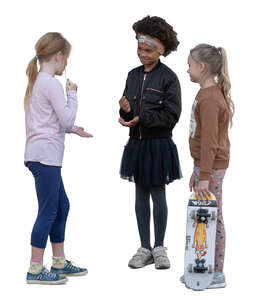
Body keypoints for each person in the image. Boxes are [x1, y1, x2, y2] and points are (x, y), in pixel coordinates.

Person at [24, 32, 93, 284]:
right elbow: (66, 118)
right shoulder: (50, 83)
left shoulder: (37, 82)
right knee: (48, 211)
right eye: (66, 59)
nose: (66, 65)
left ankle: (59, 263)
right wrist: (73, 94)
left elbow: (52, 122)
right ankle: (34, 270)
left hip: (41, 155)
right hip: (45, 156)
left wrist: (75, 130)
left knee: (61, 206)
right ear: (59, 56)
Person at [119, 16, 182, 270]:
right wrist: (125, 112)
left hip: (158, 145)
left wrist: (140, 117)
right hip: (137, 144)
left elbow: (171, 116)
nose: (142, 54)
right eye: (139, 49)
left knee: (158, 193)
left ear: (162, 50)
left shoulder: (169, 78)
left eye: (148, 50)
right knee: (140, 195)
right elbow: (129, 110)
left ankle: (159, 247)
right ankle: (144, 247)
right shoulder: (132, 75)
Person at [181, 43, 234, 288]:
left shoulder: (211, 99)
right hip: (206, 166)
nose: (187, 69)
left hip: (212, 167)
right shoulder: (205, 94)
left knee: (213, 217)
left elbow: (210, 142)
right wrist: (197, 169)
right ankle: (201, 266)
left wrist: (204, 176)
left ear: (202, 68)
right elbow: (201, 138)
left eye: (190, 64)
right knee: (203, 217)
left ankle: (217, 272)